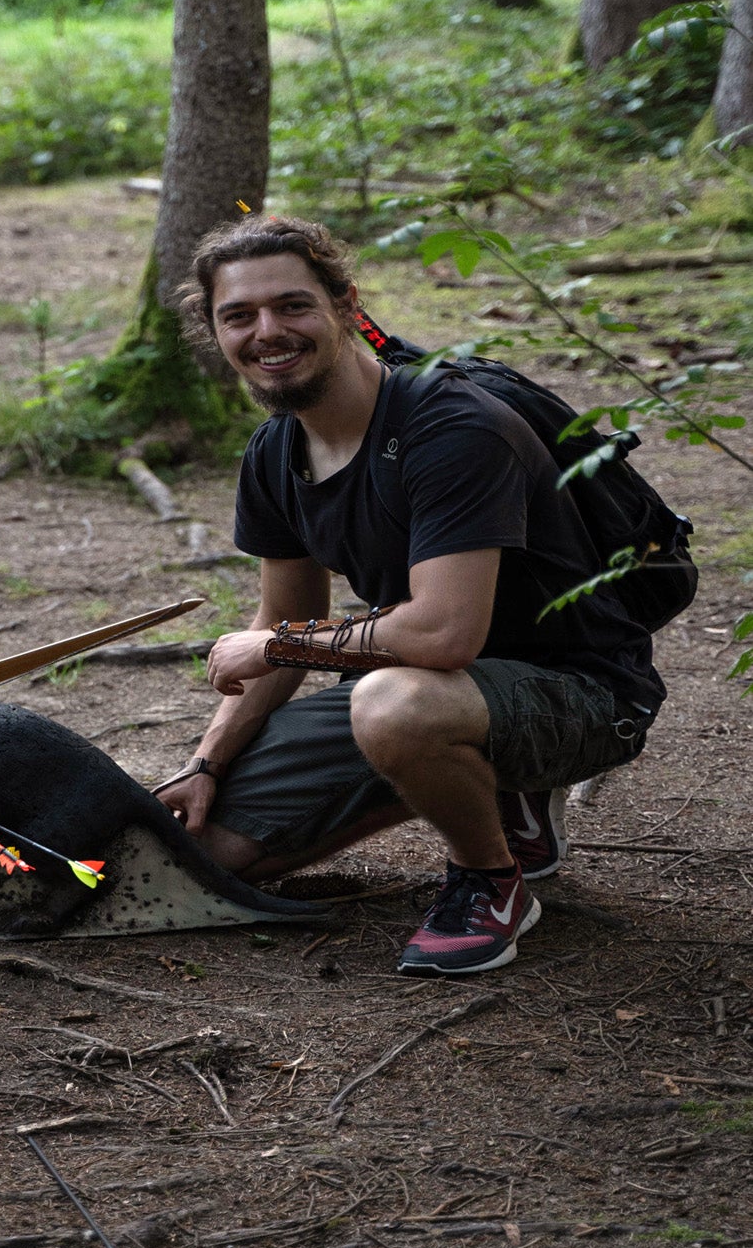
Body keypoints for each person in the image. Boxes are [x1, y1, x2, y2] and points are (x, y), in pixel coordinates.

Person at [155, 217, 664, 977]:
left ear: (344, 305)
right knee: (210, 857)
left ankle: (490, 880)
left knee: (393, 707)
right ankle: (489, 784)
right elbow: (282, 619)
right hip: (428, 684)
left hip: (579, 690)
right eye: (239, 315)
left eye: (292, 305)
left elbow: (440, 635)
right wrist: (206, 763)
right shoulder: (275, 451)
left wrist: (276, 646)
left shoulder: (452, 428)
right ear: (216, 331)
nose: (267, 332)